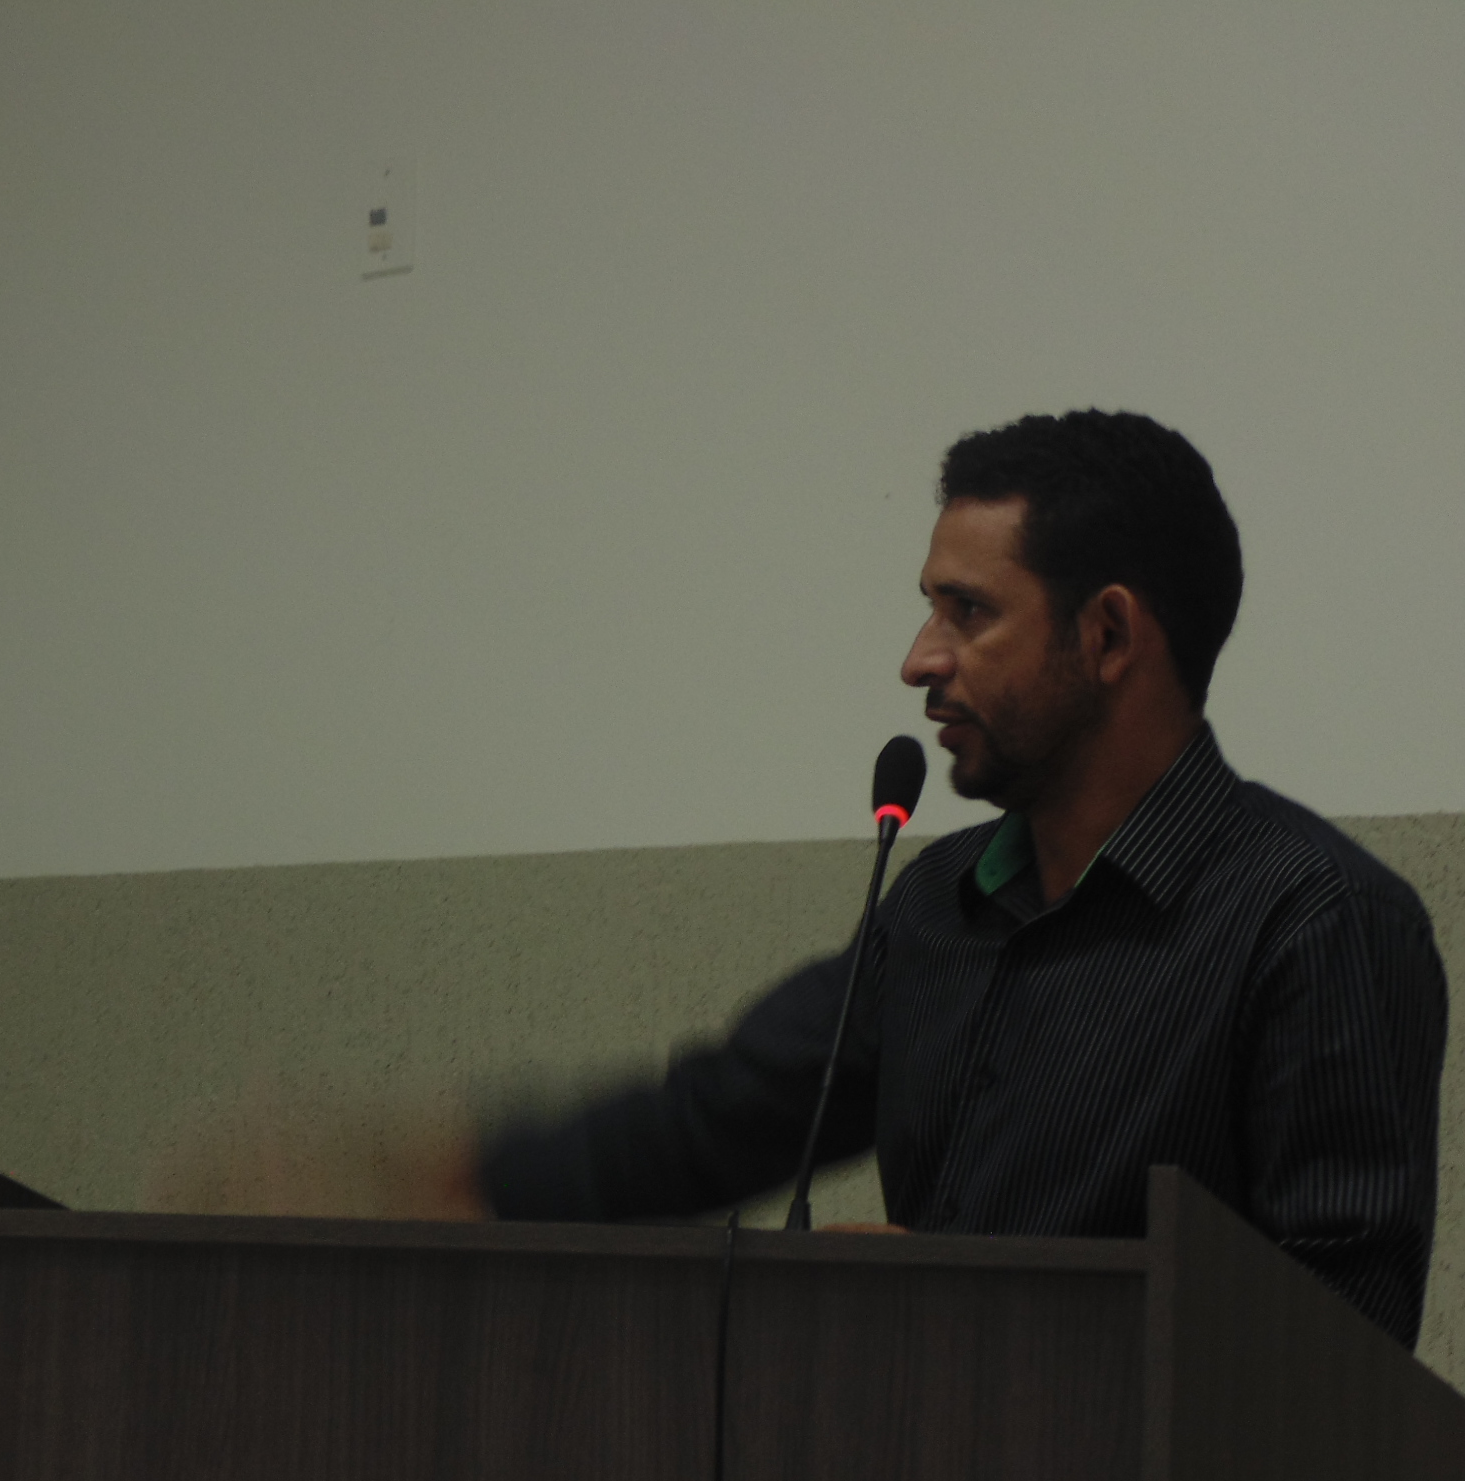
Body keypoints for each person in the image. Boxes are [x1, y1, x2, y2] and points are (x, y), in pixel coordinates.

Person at [164, 412, 1444, 1347]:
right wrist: (453, 1178)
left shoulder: (1313, 921)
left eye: (968, 612)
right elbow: (724, 1115)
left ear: (1108, 635)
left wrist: (984, 1309)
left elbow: (1339, 1339)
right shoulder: (940, 906)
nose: (918, 659)